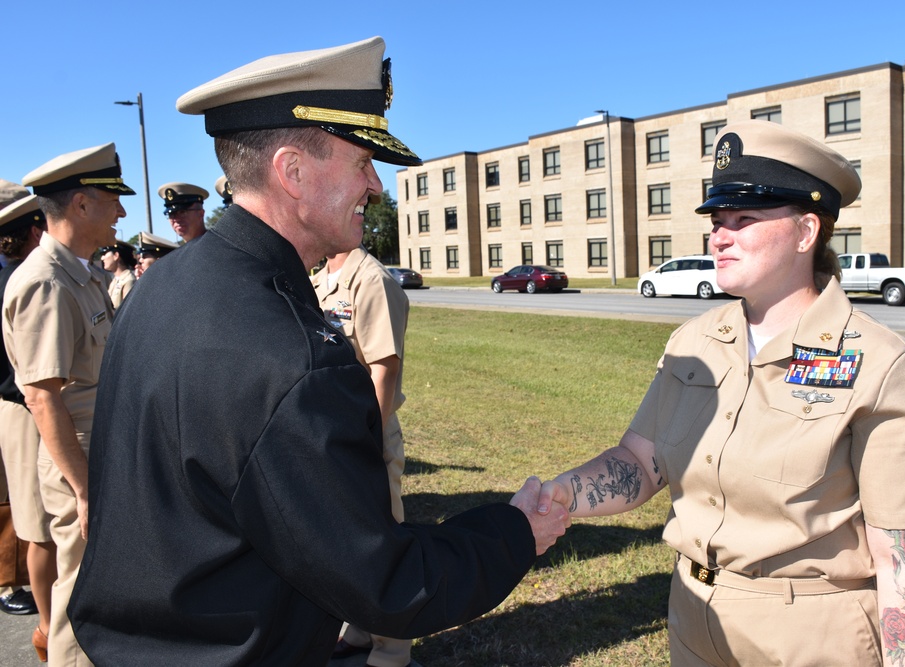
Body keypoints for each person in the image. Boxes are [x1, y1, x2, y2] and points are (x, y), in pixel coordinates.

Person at [68, 36, 568, 666]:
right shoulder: (292, 357)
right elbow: (389, 584)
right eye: (362, 162)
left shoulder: (165, 285)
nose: (377, 187)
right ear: (292, 172)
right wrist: (516, 531)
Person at [537, 121, 905, 666]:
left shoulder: (885, 368)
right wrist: (561, 493)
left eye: (744, 220)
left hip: (810, 638)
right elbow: (641, 462)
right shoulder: (696, 341)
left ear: (807, 232)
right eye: (717, 221)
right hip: (695, 619)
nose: (719, 236)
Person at [4, 143, 132, 666]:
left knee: (98, 591)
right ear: (81, 205)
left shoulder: (77, 273)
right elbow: (41, 397)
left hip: (94, 449)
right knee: (81, 599)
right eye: (113, 200)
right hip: (77, 459)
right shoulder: (47, 283)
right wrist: (83, 489)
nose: (122, 212)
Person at [313, 246, 413, 667]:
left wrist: (365, 442)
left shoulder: (371, 279)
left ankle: (393, 651)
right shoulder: (320, 275)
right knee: (347, 543)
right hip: (332, 430)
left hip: (365, 432)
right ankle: (359, 630)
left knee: (381, 543)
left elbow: (384, 368)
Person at [0, 191, 56, 663]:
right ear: (36, 229)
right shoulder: (22, 280)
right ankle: (46, 629)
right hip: (23, 408)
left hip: (27, 404)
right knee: (36, 521)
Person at [99, 240, 136, 308]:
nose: (102, 258)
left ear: (116, 256)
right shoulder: (116, 280)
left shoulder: (129, 280)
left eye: (104, 254)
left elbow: (128, 311)